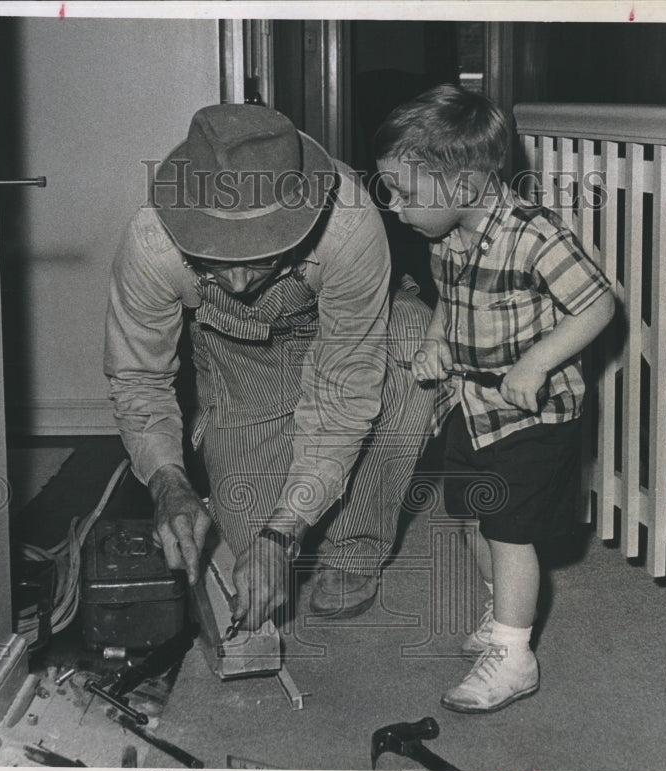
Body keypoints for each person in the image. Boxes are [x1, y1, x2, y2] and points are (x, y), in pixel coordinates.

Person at [104, 103, 434, 631]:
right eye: (213, 258)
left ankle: (353, 548)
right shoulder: (150, 244)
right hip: (233, 359)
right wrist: (169, 483)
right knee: (245, 541)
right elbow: (140, 379)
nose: (237, 284)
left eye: (260, 256)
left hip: (344, 342)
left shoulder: (348, 224)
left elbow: (343, 391)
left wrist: (283, 532)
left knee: (413, 340)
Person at [374, 85, 614, 713]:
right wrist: (433, 342)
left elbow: (598, 304)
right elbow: (450, 306)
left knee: (509, 531)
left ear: (462, 184)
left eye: (403, 192)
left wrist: (537, 362)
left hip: (533, 414)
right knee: (474, 522)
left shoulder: (535, 236)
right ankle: (505, 610)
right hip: (472, 408)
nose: (393, 207)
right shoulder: (445, 237)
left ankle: (515, 655)